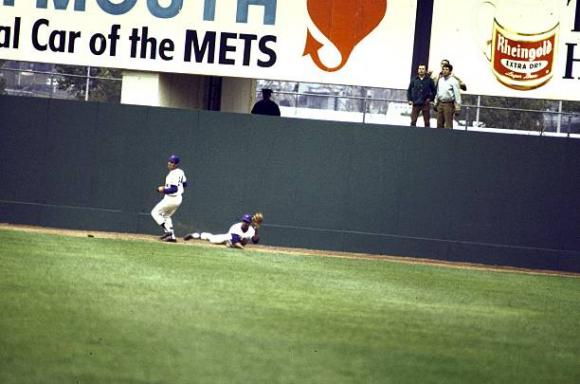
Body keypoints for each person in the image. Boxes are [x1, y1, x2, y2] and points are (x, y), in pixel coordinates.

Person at [151, 154, 187, 242]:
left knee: (155, 212)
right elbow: (185, 184)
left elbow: (174, 189)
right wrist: (167, 187)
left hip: (171, 198)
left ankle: (168, 232)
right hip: (178, 199)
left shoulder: (173, 174)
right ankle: (172, 237)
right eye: (169, 161)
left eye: (172, 162)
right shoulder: (180, 172)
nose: (170, 163)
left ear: (176, 164)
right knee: (166, 216)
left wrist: (163, 189)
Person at [184, 212, 263, 249]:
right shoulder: (236, 227)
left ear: (249, 223)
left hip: (235, 243)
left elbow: (255, 241)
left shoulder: (251, 230)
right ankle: (193, 235)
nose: (245, 223)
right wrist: (244, 249)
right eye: (244, 221)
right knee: (211, 238)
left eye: (247, 222)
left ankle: (229, 244)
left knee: (237, 243)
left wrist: (256, 229)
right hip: (228, 238)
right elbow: (236, 243)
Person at [434, 63, 462, 129]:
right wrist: (435, 103)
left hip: (449, 104)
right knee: (439, 123)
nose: (444, 71)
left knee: (448, 124)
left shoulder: (454, 81)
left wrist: (458, 107)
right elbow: (438, 92)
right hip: (440, 103)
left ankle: (448, 138)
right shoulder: (440, 80)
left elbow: (457, 95)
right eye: (443, 69)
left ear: (450, 71)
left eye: (447, 69)